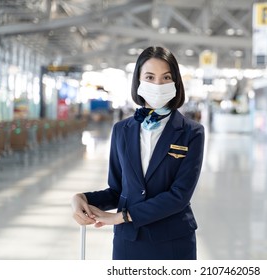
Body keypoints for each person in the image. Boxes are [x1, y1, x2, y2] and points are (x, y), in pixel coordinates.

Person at [71, 46, 205, 260]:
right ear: (139, 82)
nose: (158, 85)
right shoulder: (122, 130)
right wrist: (82, 198)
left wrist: (122, 217)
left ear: (176, 83)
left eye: (166, 77)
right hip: (128, 243)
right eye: (150, 77)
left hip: (173, 242)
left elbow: (179, 195)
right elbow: (118, 190)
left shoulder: (191, 132)